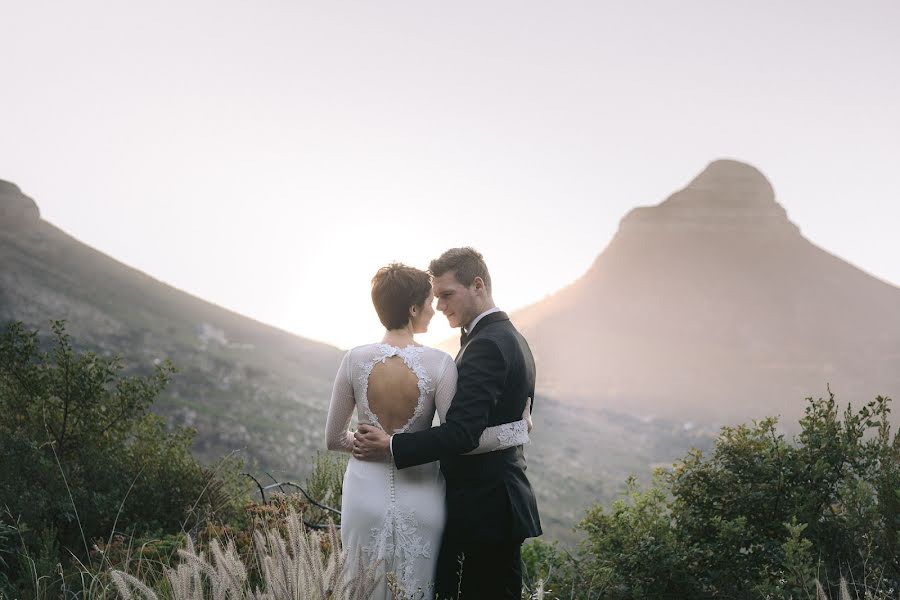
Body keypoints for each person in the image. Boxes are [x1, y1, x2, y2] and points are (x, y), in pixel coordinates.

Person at [325, 262, 531, 600]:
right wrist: (515, 430)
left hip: (363, 491)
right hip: (421, 494)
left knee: (361, 586)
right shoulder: (440, 364)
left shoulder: (354, 359)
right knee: (415, 586)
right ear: (412, 308)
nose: (435, 309)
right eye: (429, 301)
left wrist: (370, 445)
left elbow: (334, 439)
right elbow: (460, 440)